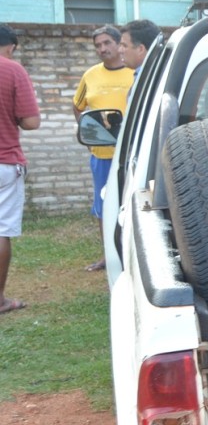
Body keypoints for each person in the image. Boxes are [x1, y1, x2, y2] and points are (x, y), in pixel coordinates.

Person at [73, 25, 134, 272]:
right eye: (98, 45)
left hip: (132, 154)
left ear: (119, 44)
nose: (102, 48)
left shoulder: (134, 74)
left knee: (132, 202)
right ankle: (108, 255)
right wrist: (90, 132)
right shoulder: (90, 75)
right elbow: (78, 106)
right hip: (102, 155)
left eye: (107, 42)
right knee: (103, 206)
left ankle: (131, 254)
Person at [0, 24, 41, 315]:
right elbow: (30, 122)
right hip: (4, 161)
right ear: (11, 46)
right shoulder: (13, 70)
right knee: (0, 231)